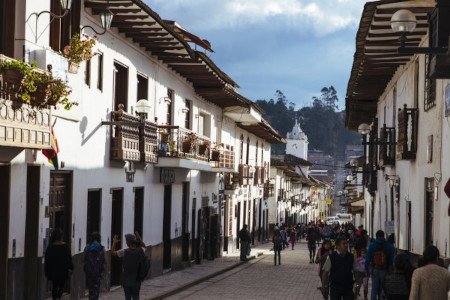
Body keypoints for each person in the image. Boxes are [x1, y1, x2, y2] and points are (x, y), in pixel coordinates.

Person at [112, 233, 147, 300]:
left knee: (127, 298)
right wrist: (139, 238)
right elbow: (144, 247)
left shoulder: (124, 252)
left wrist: (114, 242)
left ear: (128, 242)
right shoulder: (140, 250)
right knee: (136, 296)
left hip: (126, 280)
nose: (126, 242)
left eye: (126, 241)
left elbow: (113, 252)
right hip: (136, 280)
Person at [365, 230, 395, 300]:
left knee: (374, 288)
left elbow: (367, 258)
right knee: (384, 287)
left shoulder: (372, 245)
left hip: (375, 269)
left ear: (376, 236)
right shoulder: (389, 245)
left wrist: (366, 268)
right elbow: (392, 258)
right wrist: (390, 268)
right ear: (383, 236)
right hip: (385, 270)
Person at [44, 228, 74, 300]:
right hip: (63, 270)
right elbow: (69, 259)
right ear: (61, 237)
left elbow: (47, 260)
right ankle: (58, 297)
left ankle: (55, 298)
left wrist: (46, 271)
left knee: (54, 286)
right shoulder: (66, 247)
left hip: (53, 271)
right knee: (61, 286)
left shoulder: (50, 247)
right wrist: (71, 268)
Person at [84, 232, 105, 300]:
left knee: (91, 288)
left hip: (89, 271)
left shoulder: (87, 247)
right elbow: (104, 260)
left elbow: (84, 259)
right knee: (96, 289)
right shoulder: (101, 247)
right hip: (98, 271)